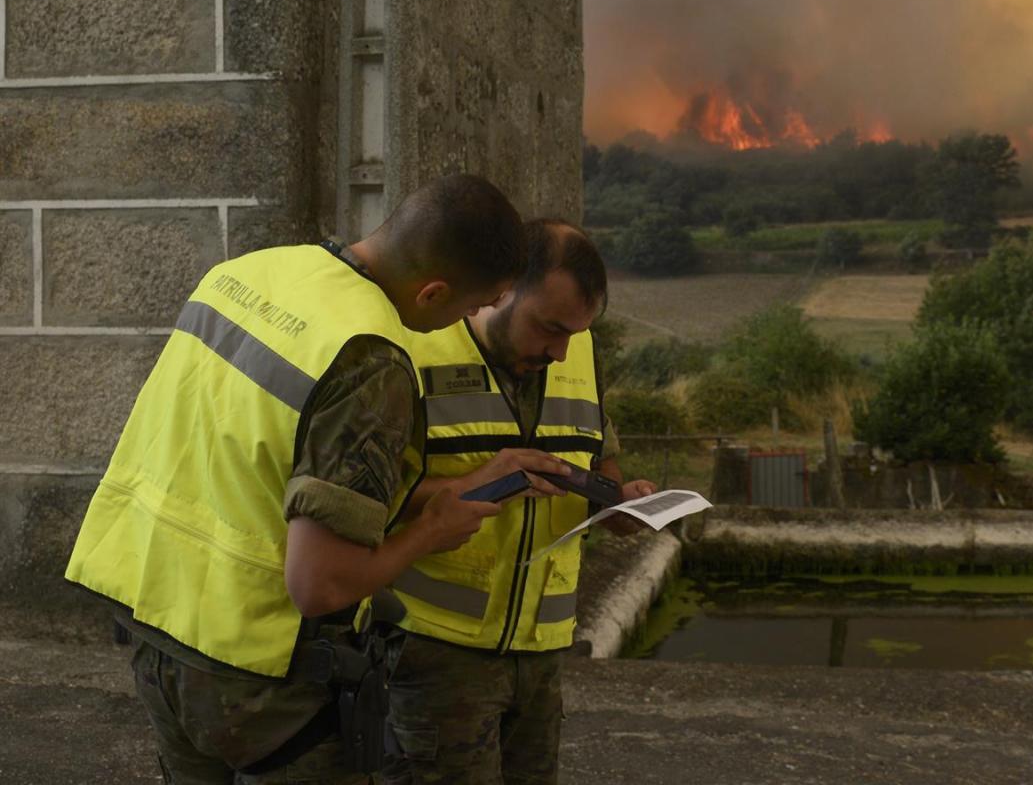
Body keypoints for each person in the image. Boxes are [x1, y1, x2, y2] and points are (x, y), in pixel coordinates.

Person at [64, 173, 541, 784]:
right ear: (432, 293)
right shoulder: (369, 358)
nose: (472, 319)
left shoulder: (246, 274)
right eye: (474, 305)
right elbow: (322, 585)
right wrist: (431, 530)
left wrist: (413, 495)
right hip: (261, 678)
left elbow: (251, 458)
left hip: (158, 636)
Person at [383, 219, 655, 785]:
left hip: (543, 654)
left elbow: (598, 463)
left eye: (574, 334)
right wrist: (483, 482)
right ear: (501, 291)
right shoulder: (409, 348)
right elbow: (360, 496)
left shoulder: (575, 352)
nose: (560, 352)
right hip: (433, 652)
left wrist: (617, 502)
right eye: (549, 328)